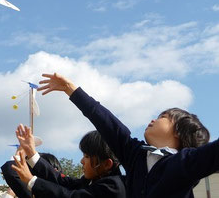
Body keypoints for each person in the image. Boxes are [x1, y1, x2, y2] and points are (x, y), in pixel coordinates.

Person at [37, 73, 217, 198]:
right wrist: (70, 89)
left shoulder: (184, 163)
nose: (153, 119)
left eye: (163, 116)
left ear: (178, 132)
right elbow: (106, 122)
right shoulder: (135, 155)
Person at [11, 124, 126, 198]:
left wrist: (31, 180)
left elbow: (69, 196)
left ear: (106, 164)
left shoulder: (113, 187)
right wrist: (31, 152)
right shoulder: (90, 180)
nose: (81, 161)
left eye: (86, 156)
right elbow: (61, 180)